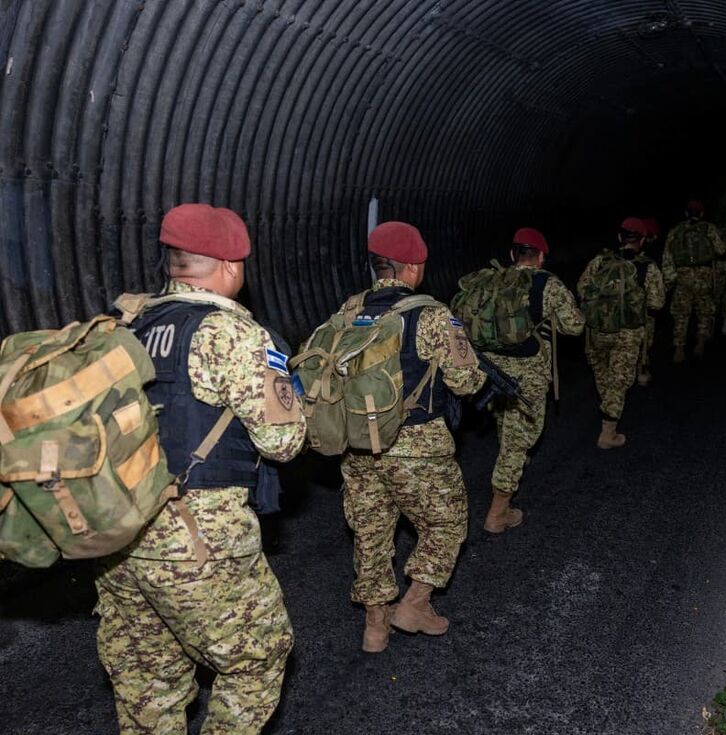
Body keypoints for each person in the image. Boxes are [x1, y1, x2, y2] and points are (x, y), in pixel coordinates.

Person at [96, 203, 306, 735]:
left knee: (149, 678)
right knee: (256, 658)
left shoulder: (126, 324)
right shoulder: (228, 334)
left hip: (117, 529)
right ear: (233, 266)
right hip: (196, 534)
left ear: (173, 261)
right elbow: (282, 442)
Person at [339, 221, 486, 654]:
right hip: (416, 446)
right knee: (447, 522)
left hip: (359, 445)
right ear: (413, 267)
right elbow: (466, 381)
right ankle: (416, 602)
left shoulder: (349, 309)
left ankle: (375, 627)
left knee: (370, 532)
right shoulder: (434, 315)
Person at [483, 228, 585, 533]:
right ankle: (497, 513)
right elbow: (575, 327)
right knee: (518, 442)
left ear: (513, 255)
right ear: (540, 257)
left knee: (505, 428)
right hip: (528, 373)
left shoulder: (492, 279)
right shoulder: (547, 283)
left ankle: (508, 469)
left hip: (491, 370)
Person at [578, 217, 665, 449]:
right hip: (628, 332)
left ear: (619, 237)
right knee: (619, 379)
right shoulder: (647, 266)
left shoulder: (599, 261)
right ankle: (608, 431)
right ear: (643, 240)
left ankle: (607, 406)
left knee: (603, 373)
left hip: (597, 329)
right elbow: (657, 303)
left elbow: (582, 288)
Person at [662, 200, 723, 361]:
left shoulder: (676, 230)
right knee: (705, 312)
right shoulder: (709, 228)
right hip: (704, 276)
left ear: (686, 213)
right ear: (702, 214)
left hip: (683, 277)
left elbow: (667, 257)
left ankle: (679, 350)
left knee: (681, 314)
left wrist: (669, 282)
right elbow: (721, 249)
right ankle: (700, 343)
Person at [636, 217, 662, 386]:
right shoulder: (652, 256)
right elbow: (657, 301)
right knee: (645, 337)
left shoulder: (614, 256)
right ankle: (642, 369)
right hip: (643, 307)